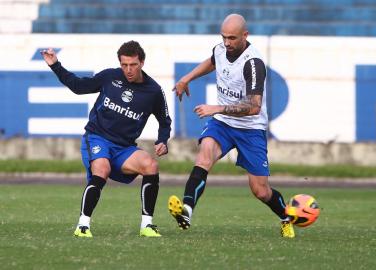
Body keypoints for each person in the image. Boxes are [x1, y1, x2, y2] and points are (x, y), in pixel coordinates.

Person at [168, 14, 295, 238]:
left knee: (260, 190)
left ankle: (286, 217)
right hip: (223, 124)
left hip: (250, 129)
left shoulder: (253, 63)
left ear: (245, 36)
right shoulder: (221, 48)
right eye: (224, 37)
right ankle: (186, 210)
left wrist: (217, 108)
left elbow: (254, 107)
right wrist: (186, 78)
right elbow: (213, 60)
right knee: (204, 155)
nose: (227, 43)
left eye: (232, 38)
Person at [41, 40, 171, 238]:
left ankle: (147, 225)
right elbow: (78, 86)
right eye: (124, 65)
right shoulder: (110, 76)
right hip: (97, 138)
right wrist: (55, 65)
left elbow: (165, 120)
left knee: (150, 165)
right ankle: (83, 225)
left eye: (133, 65)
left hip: (124, 148)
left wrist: (163, 140)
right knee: (102, 169)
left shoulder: (153, 91)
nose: (128, 69)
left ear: (142, 63)